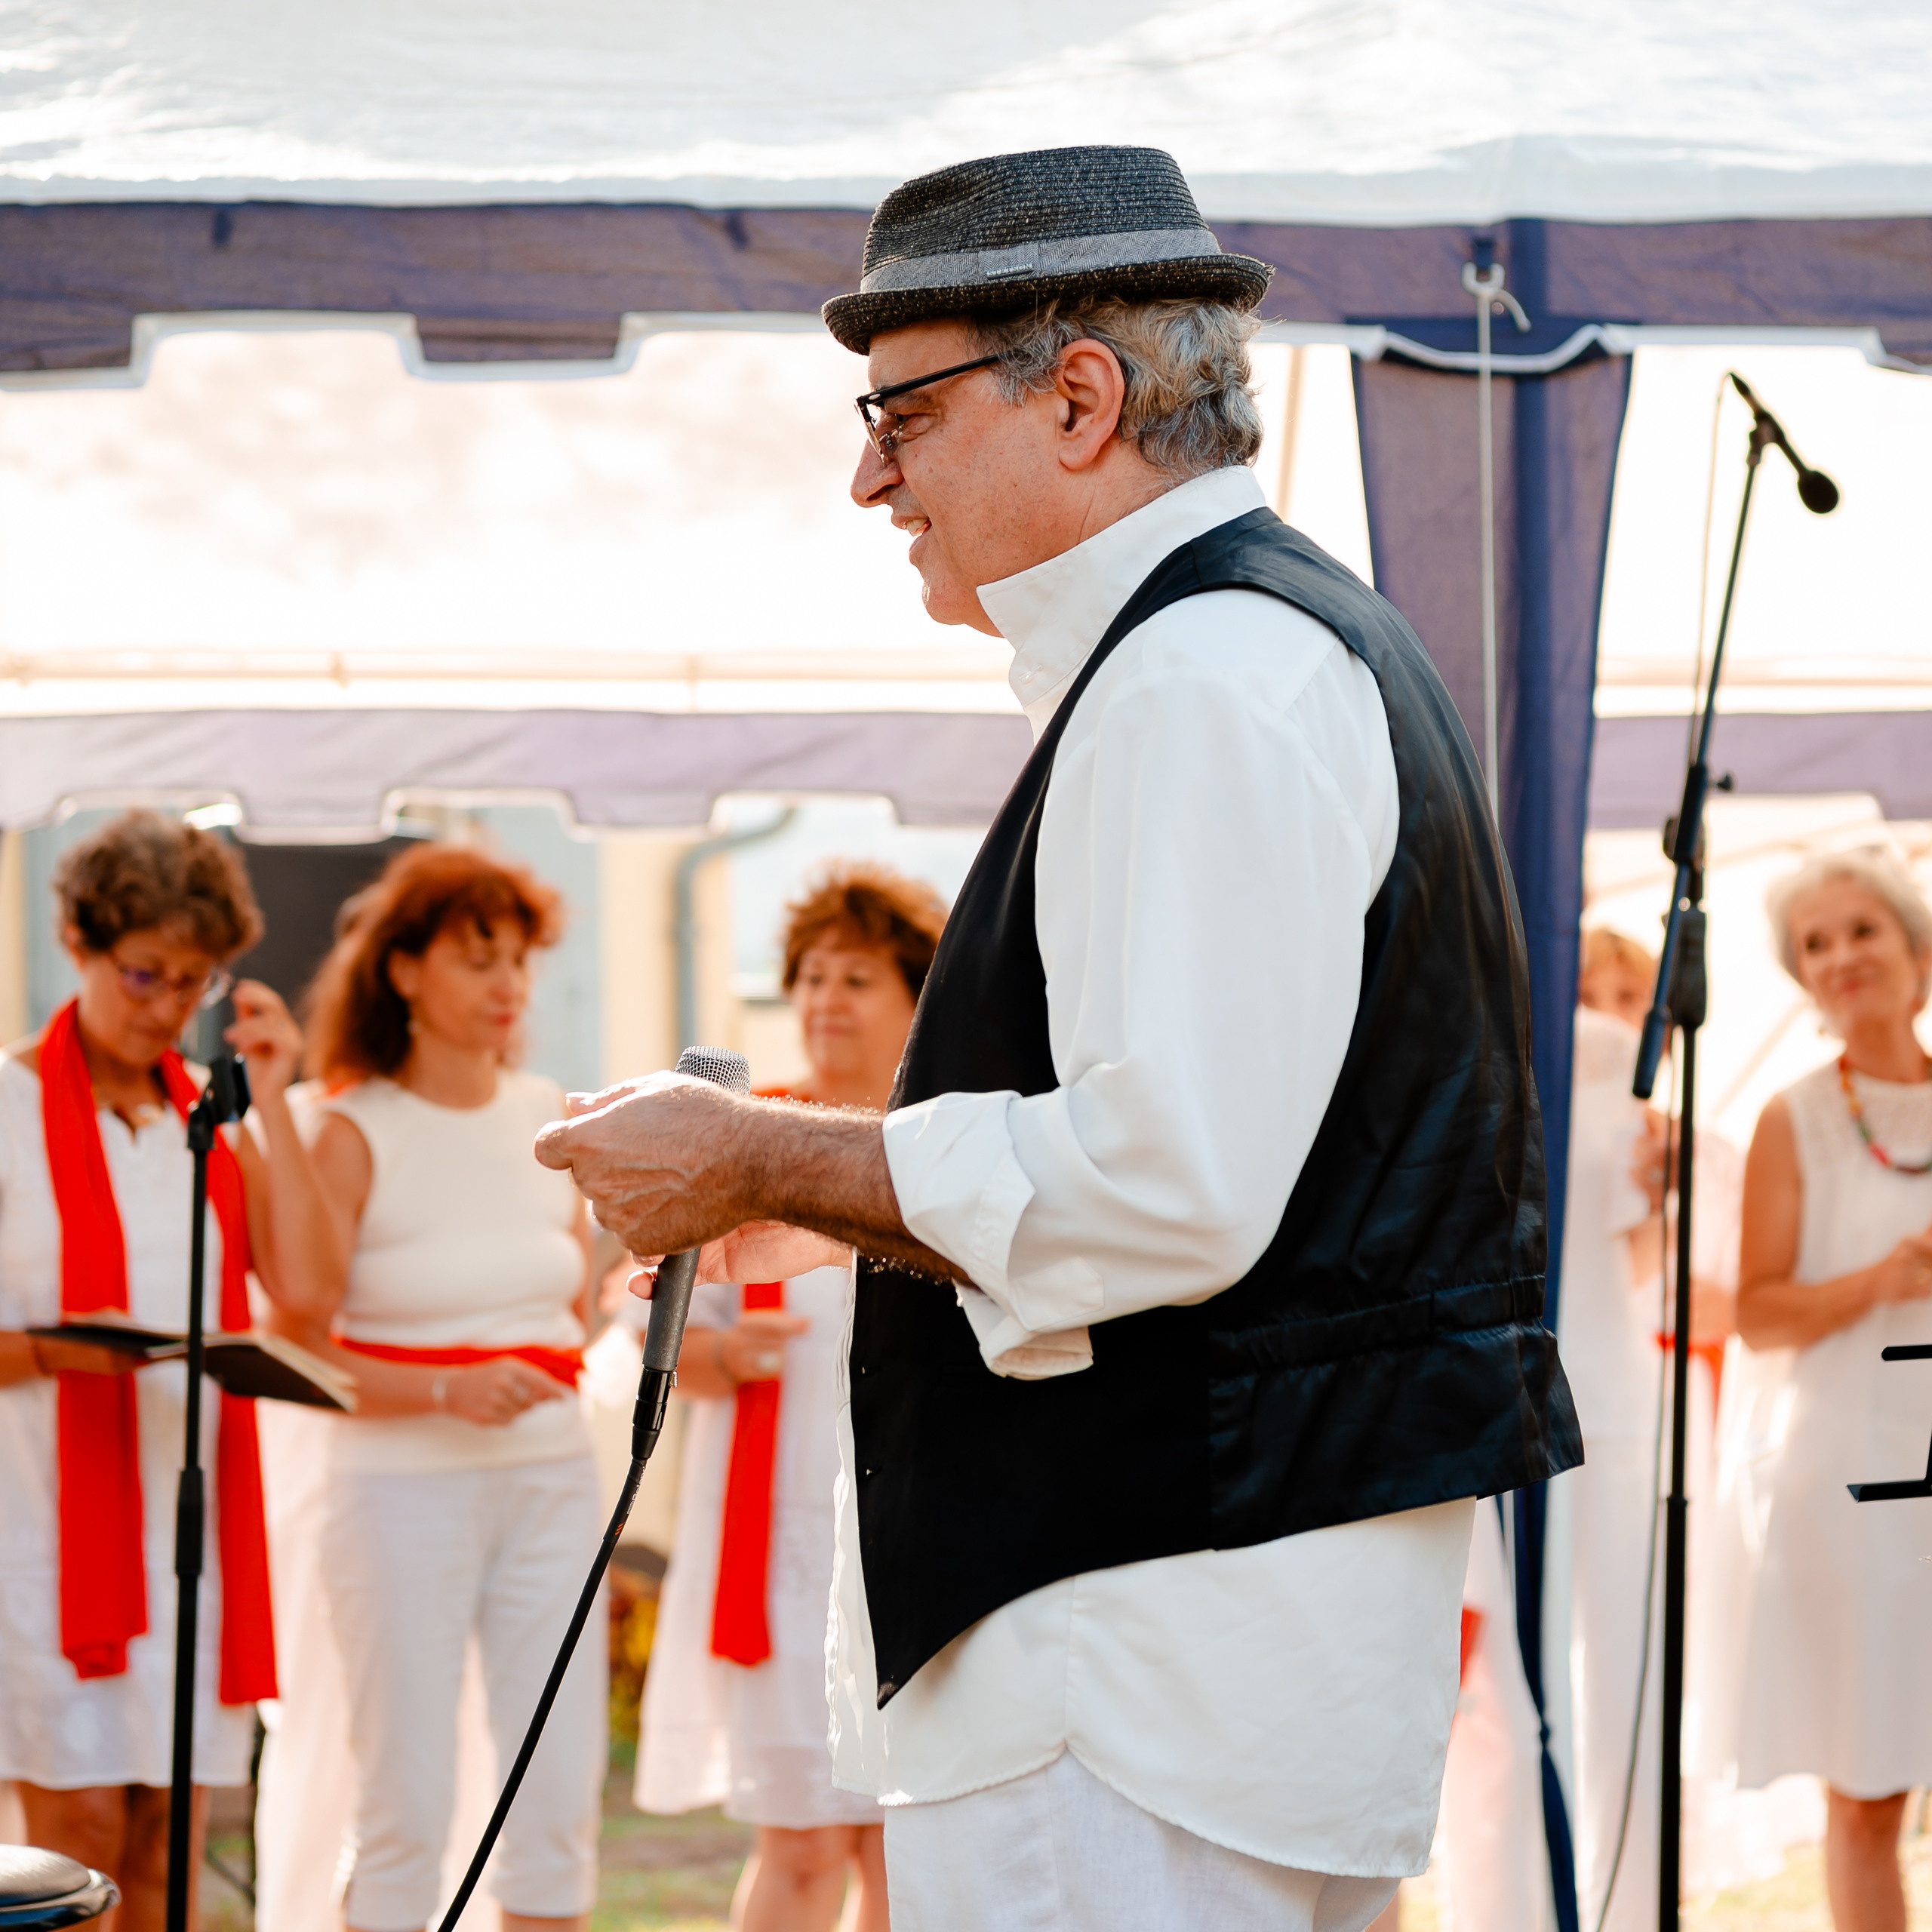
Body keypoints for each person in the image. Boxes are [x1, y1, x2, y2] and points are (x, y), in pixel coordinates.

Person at [540, 144, 1578, 1932]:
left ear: (1080, 395)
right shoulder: (1249, 651)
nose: (868, 475)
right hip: (1205, 1637)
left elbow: (1160, 1183)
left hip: (1139, 1650)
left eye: (902, 414)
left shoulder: (1199, 678)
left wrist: (756, 1156)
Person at [0, 809, 333, 1927]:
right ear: (81, 944)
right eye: (143, 973)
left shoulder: (210, 1119)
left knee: (168, 1840)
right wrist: (54, 1347)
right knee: (75, 1843)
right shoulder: (7, 1110)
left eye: (189, 983)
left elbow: (307, 1289)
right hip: (46, 1527)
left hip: (185, 1533)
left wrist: (275, 1093)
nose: (161, 1005)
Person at [297, 843, 603, 1932]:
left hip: (556, 1485)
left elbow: (577, 1299)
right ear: (404, 971)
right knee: (407, 1809)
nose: (509, 984)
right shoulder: (347, 1130)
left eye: (519, 961)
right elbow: (297, 1350)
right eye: (480, 959)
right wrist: (441, 1394)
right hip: (396, 1499)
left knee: (557, 1801)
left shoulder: (550, 1115)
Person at [638, 863, 945, 1932]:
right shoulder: (747, 1139)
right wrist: (715, 1361)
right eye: (810, 974)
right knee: (804, 1843)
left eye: (857, 976)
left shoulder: (944, 1157)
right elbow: (643, 1314)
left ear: (917, 997)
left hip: (909, 1537)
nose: (824, 998)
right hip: (777, 1548)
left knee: (898, 1846)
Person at [1732, 848, 1932, 1932]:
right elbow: (1756, 1308)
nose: (1843, 956)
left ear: (1918, 954)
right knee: (1870, 1787)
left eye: (1863, 930)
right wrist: (1880, 1281)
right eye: (1818, 943)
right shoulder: (1793, 1118)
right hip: (1851, 1489)